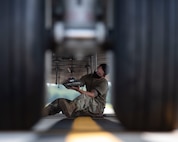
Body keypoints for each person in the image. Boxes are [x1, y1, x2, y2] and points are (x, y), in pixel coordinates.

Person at [42, 63, 109, 118]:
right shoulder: (88, 77)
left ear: (104, 75)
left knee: (84, 96)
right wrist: (70, 84)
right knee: (60, 101)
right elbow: (79, 83)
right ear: (97, 67)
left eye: (99, 73)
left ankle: (71, 109)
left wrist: (78, 90)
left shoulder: (103, 83)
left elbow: (92, 94)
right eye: (97, 71)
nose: (97, 73)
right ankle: (42, 113)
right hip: (86, 109)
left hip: (97, 108)